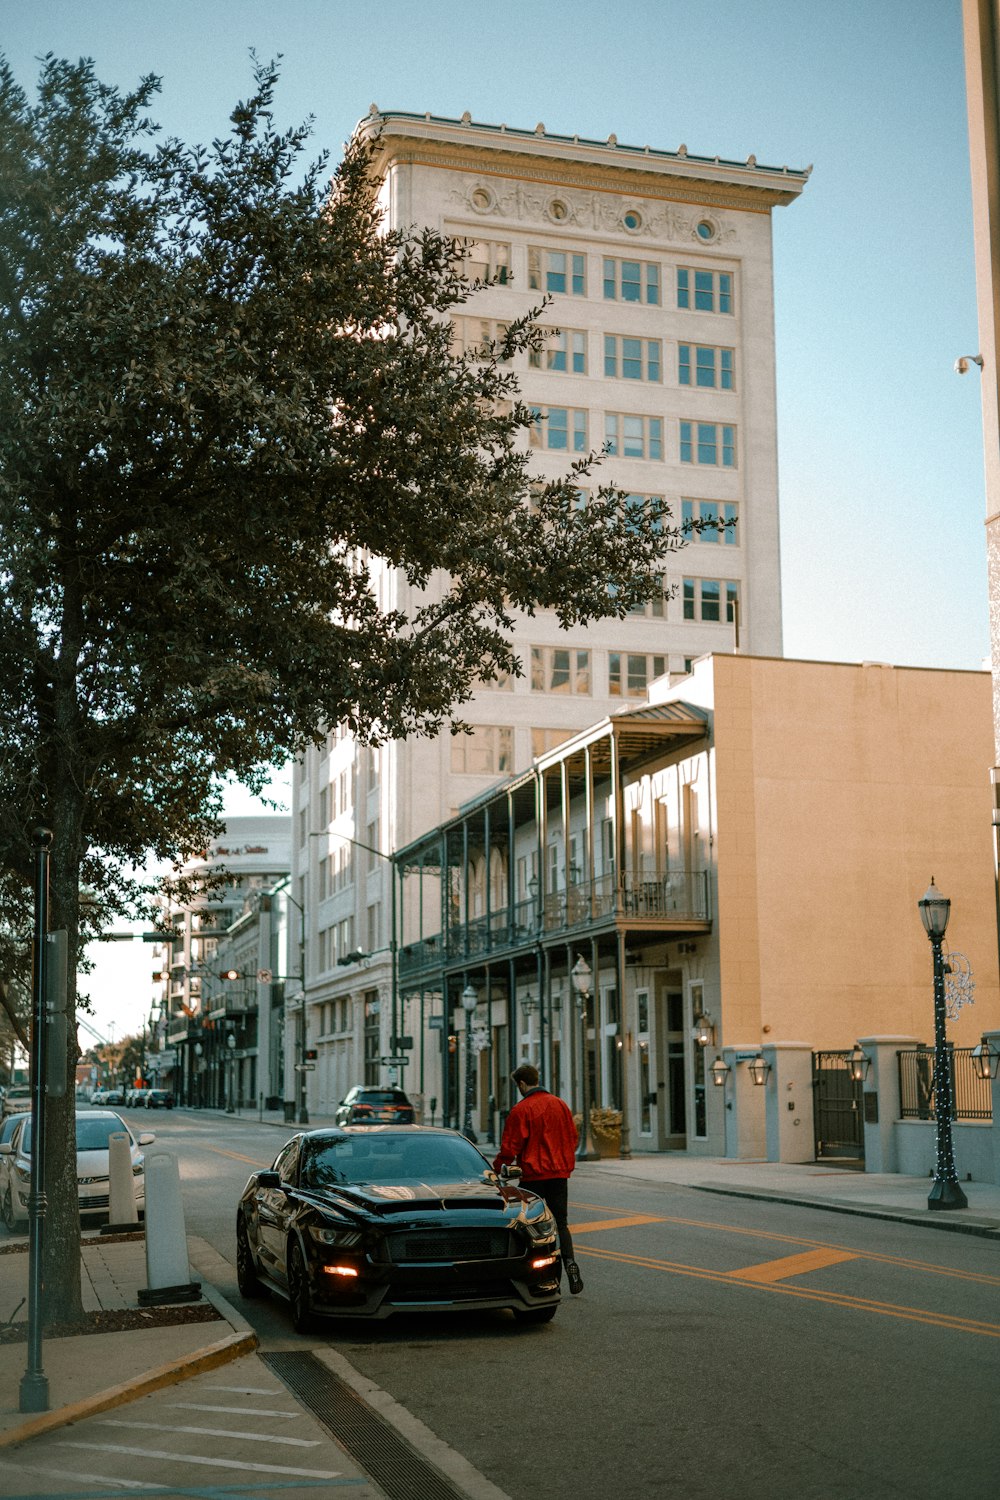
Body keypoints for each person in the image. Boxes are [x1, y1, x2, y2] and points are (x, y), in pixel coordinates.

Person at [492, 1063, 584, 1295]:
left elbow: (510, 1147)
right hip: (558, 1174)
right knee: (561, 1223)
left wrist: (495, 1169)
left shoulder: (522, 1109)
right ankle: (570, 1263)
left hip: (533, 1176)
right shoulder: (560, 1104)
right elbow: (572, 1137)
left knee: (528, 1224)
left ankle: (537, 1271)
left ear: (522, 1084)